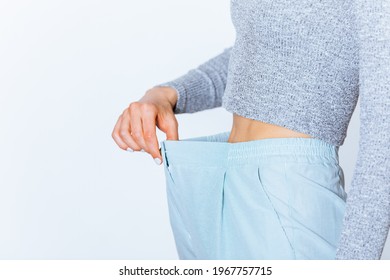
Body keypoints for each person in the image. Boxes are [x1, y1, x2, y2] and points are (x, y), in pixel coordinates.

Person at [112, 0, 390, 259]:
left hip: (289, 195)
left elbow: (383, 143)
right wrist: (169, 92)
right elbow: (264, 45)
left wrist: (355, 266)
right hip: (219, 182)